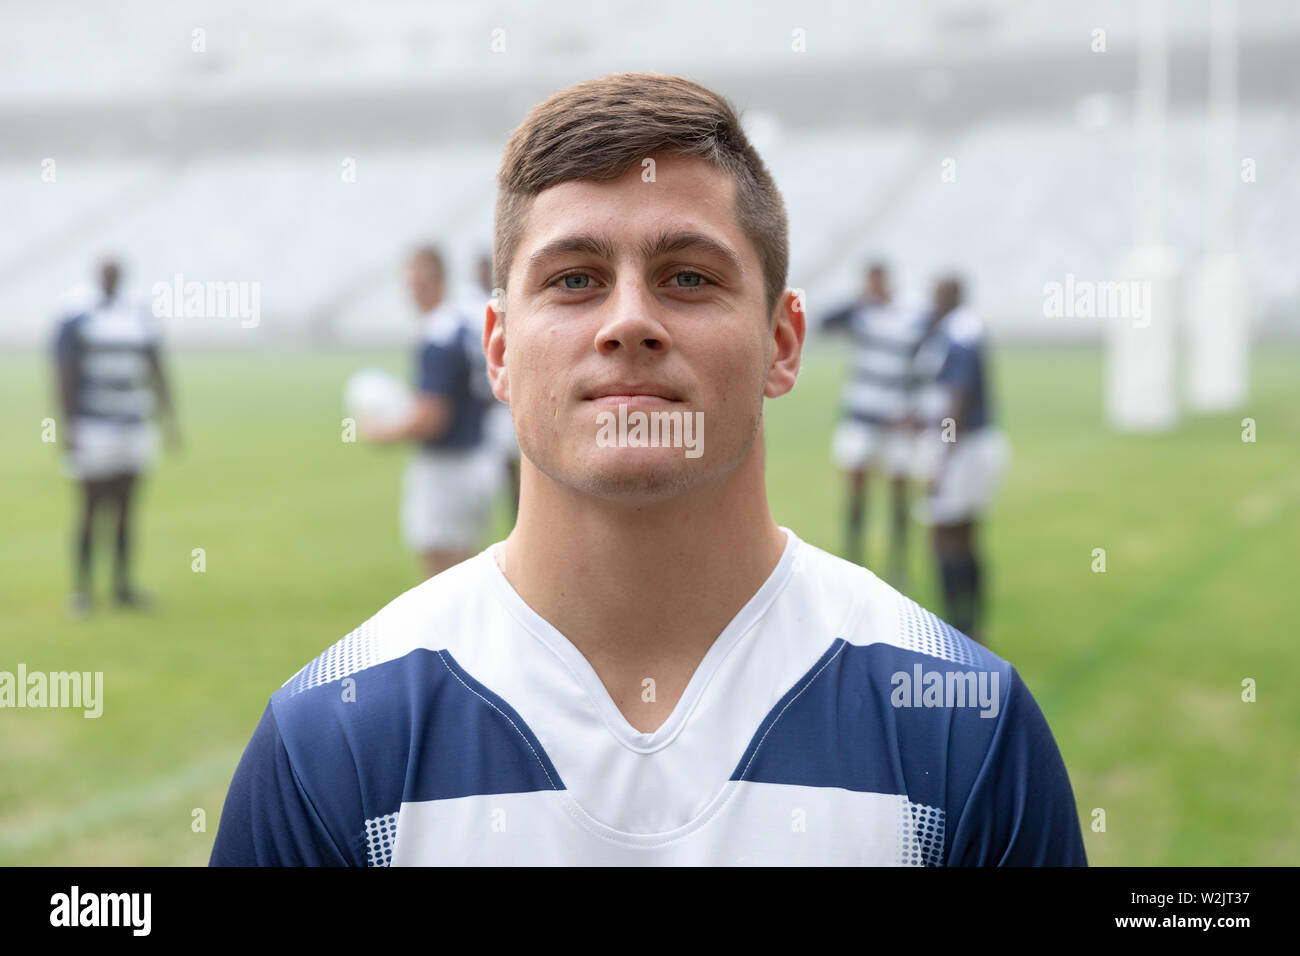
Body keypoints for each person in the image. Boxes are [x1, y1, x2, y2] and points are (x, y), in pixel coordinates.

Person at [211, 73, 1084, 866]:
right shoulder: (332, 738)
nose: (629, 322)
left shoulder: (961, 727)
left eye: (690, 278)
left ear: (782, 344)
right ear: (500, 350)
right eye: (576, 279)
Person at [53, 258, 180, 617]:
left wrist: (168, 419)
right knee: (90, 507)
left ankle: (123, 586)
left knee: (127, 507)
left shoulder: (138, 314)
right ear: (98, 276)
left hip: (133, 422)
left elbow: (156, 366)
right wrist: (68, 426)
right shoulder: (77, 314)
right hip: (94, 424)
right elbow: (62, 372)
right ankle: (81, 591)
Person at [364, 246, 498, 579]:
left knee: (443, 576)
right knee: (466, 570)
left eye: (420, 281)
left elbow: (433, 418)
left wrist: (382, 432)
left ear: (438, 280)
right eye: (410, 282)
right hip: (479, 457)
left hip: (446, 467)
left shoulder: (437, 335)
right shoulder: (464, 325)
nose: (414, 291)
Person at [911, 277, 1009, 645]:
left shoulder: (958, 333)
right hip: (976, 444)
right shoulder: (965, 328)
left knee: (944, 537)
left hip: (962, 447)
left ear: (950, 296)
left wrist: (944, 457)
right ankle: (973, 625)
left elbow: (958, 399)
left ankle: (954, 628)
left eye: (936, 293)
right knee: (967, 536)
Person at [821, 262, 928, 582]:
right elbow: (826, 322)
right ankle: (854, 560)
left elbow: (922, 363)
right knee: (856, 490)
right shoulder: (861, 313)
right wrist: (858, 300)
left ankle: (898, 564)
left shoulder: (911, 314)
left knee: (898, 492)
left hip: (896, 419)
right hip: (861, 417)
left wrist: (916, 410)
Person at [475, 250, 521, 518]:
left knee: (516, 465)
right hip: (490, 403)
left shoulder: (506, 298)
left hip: (505, 401)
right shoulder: (471, 306)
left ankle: (518, 511)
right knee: (500, 467)